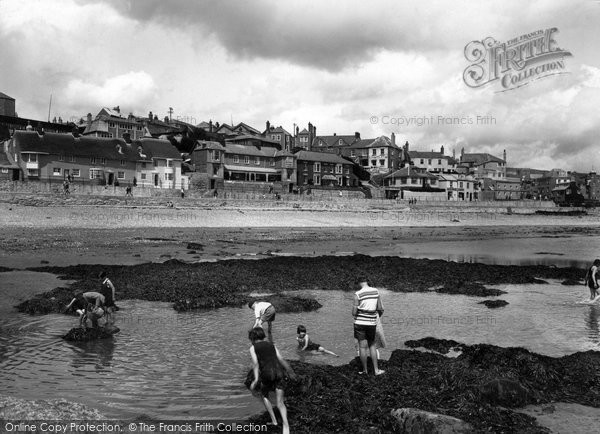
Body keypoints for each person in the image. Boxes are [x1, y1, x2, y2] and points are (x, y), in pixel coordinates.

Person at [249, 327, 296, 434]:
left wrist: (256, 379)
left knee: (264, 395)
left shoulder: (253, 348)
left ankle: (274, 421)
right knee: (280, 403)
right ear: (263, 336)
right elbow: (281, 359)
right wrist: (290, 371)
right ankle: (286, 427)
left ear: (252, 338)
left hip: (267, 374)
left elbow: (255, 363)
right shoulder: (272, 345)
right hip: (279, 373)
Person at [352, 276, 385, 375]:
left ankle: (365, 371)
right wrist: (375, 317)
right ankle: (376, 370)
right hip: (371, 323)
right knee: (372, 345)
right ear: (367, 282)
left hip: (359, 323)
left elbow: (354, 313)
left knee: (362, 347)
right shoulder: (376, 291)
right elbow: (380, 308)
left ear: (359, 283)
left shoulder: (357, 294)